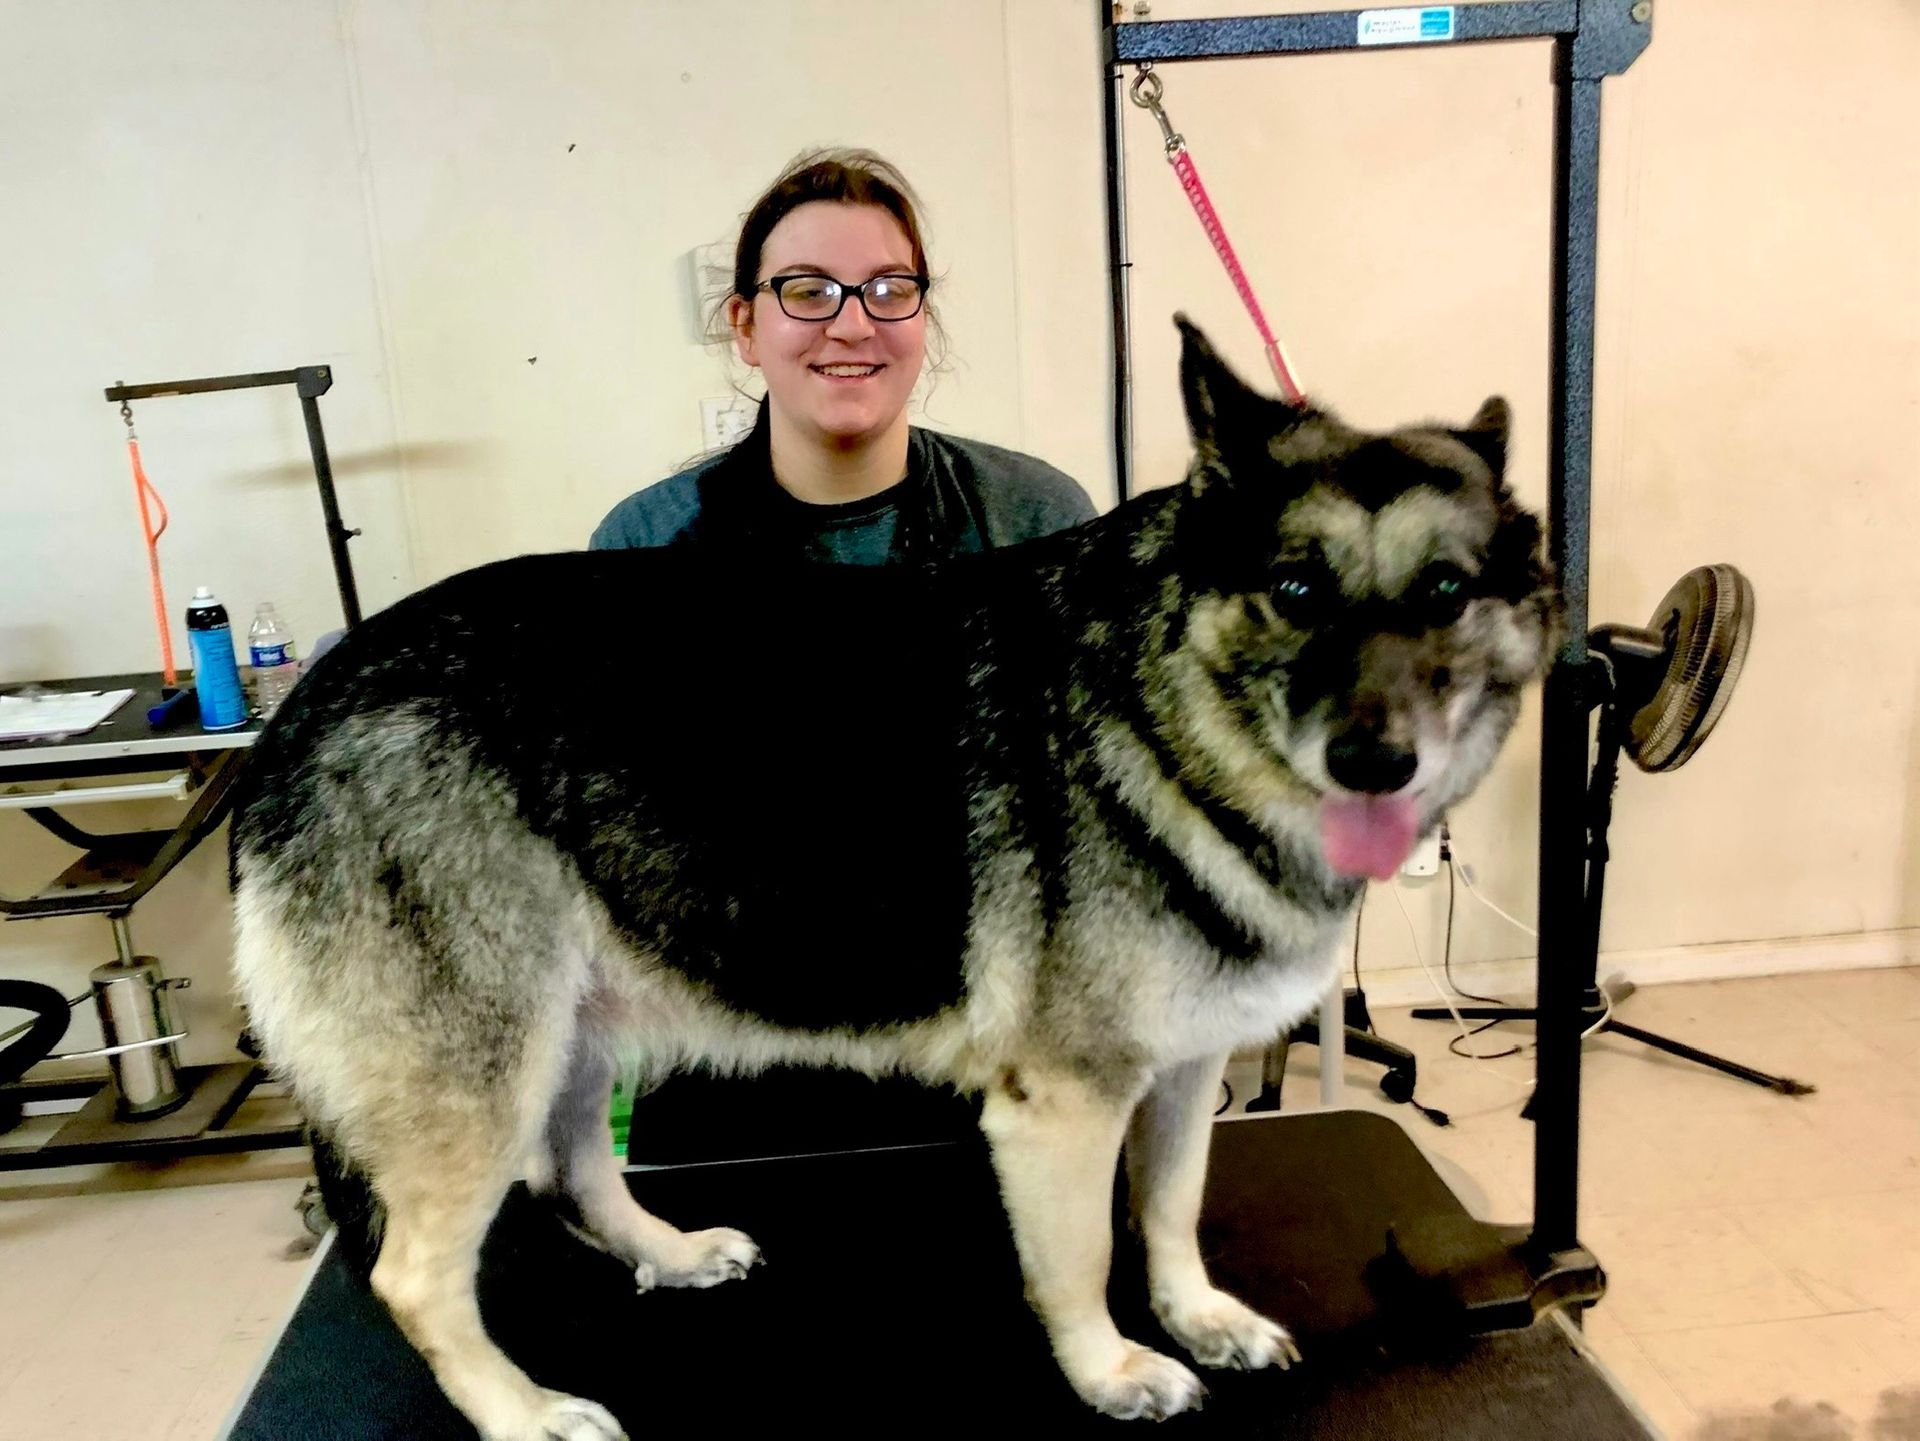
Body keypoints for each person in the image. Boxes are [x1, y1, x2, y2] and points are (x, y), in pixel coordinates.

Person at [591, 148, 1096, 563]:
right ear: (746, 328)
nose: (853, 326)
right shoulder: (642, 544)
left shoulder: (1041, 521)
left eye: (889, 289)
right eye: (809, 291)